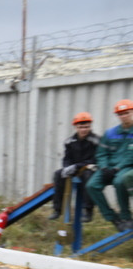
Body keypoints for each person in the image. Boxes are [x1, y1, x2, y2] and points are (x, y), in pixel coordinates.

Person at [86, 99, 133, 231]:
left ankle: (126, 216)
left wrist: (117, 168)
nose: (123, 116)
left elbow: (131, 156)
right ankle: (112, 217)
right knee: (92, 185)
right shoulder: (110, 133)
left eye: (126, 113)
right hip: (108, 168)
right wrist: (104, 167)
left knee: (120, 182)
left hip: (127, 167)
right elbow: (101, 153)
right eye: (120, 114)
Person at [49, 112, 100, 222]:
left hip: (89, 168)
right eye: (81, 127)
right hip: (74, 169)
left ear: (90, 126)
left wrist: (77, 166)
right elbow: (67, 158)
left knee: (89, 176)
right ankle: (57, 209)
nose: (83, 130)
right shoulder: (69, 141)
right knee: (58, 174)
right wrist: (66, 167)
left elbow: (95, 159)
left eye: (86, 127)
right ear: (75, 127)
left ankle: (87, 211)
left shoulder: (96, 140)